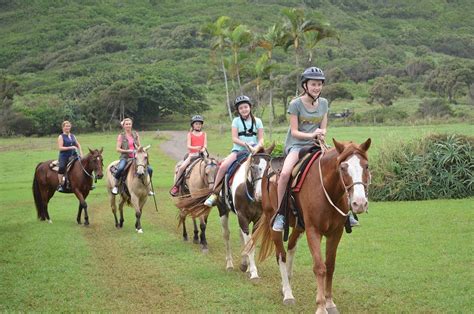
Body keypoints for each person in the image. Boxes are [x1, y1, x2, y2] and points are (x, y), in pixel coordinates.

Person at [272, 67, 329, 232]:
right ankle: (280, 214)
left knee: (340, 164)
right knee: (283, 175)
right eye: (313, 84)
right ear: (305, 85)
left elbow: (323, 128)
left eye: (319, 84)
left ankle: (347, 212)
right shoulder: (295, 104)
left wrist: (321, 135)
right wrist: (312, 135)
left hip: (316, 145)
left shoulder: (324, 103)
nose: (316, 87)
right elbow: (295, 132)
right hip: (297, 145)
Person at [204, 95, 264, 207]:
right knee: (223, 166)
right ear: (238, 110)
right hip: (238, 151)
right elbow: (234, 138)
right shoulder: (236, 121)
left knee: (266, 167)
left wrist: (256, 146)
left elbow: (261, 139)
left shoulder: (258, 121)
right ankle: (214, 194)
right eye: (241, 108)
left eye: (245, 107)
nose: (244, 110)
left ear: (250, 107)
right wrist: (246, 145)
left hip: (255, 151)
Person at [111, 118, 154, 196]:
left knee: (150, 169)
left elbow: (139, 146)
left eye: (129, 124)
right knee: (120, 168)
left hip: (136, 158)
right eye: (126, 124)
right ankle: (116, 186)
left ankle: (148, 188)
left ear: (131, 125)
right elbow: (117, 149)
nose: (128, 125)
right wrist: (128, 151)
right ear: (123, 126)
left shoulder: (135, 134)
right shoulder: (121, 136)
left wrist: (142, 149)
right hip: (125, 157)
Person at [169, 115, 207, 196]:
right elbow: (188, 146)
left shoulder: (204, 134)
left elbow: (205, 145)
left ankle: (212, 186)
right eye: (196, 124)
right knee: (182, 168)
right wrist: (196, 148)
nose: (198, 125)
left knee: (211, 167)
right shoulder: (190, 134)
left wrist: (203, 149)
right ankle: (176, 186)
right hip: (192, 155)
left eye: (200, 124)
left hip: (202, 155)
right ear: (193, 125)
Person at [57, 120, 83, 192]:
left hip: (73, 155)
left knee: (82, 165)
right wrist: (70, 147)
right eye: (66, 126)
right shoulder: (61, 136)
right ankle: (60, 185)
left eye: (69, 126)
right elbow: (60, 148)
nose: (67, 128)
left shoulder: (72, 136)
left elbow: (78, 145)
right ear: (63, 127)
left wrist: (81, 153)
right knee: (62, 167)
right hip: (64, 156)